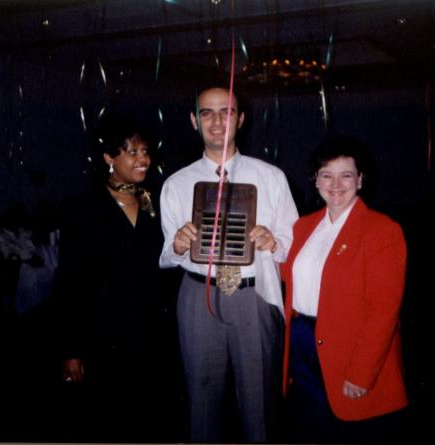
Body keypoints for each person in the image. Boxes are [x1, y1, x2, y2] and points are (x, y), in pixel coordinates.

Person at [159, 85, 299, 442]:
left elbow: (292, 242)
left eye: (227, 112)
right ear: (194, 120)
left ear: (241, 118)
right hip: (196, 294)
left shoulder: (272, 177)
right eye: (207, 112)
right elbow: (167, 253)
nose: (217, 121)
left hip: (253, 296)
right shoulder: (176, 183)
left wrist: (275, 242)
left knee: (260, 405)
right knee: (201, 402)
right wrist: (177, 244)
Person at [54, 113, 182, 442]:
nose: (143, 160)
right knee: (109, 417)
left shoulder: (157, 202)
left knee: (153, 416)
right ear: (110, 158)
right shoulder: (83, 209)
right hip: (104, 334)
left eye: (145, 152)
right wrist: (71, 349)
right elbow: (70, 282)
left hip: (153, 332)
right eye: (133, 152)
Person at [281, 135, 408, 443]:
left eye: (346, 175)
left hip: (351, 350)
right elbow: (287, 279)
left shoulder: (382, 230)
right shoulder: (302, 226)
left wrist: (363, 372)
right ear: (316, 180)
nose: (335, 184)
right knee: (311, 428)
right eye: (327, 175)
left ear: (360, 180)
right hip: (301, 343)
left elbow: (384, 310)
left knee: (350, 431)